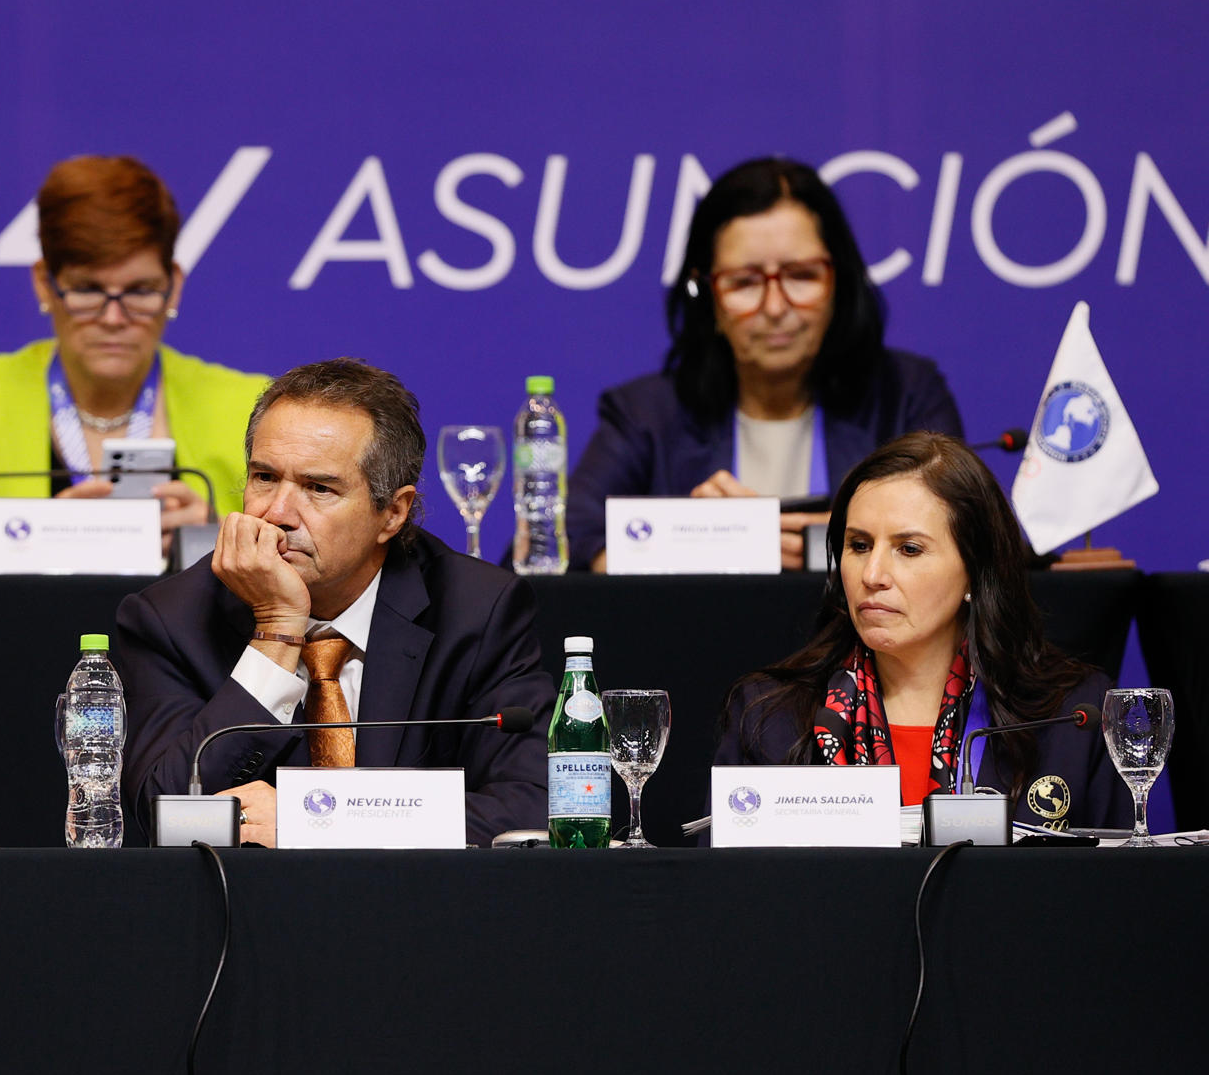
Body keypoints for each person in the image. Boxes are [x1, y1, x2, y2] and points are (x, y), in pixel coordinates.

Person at [115, 358, 550, 847]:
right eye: (263, 478)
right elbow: (165, 814)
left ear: (393, 513)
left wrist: (321, 822)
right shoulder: (171, 619)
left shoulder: (476, 610)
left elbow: (534, 805)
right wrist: (277, 632)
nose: (277, 513)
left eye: (318, 488)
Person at [562, 157, 962, 571]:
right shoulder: (646, 414)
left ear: (838, 285)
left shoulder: (907, 394)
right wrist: (692, 544)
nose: (774, 307)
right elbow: (553, 547)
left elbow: (972, 539)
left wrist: (846, 539)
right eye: (745, 282)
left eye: (801, 276)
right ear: (708, 297)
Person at [715, 432, 1130, 831]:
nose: (873, 574)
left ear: (975, 570)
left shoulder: (1072, 716)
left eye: (909, 549)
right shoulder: (769, 715)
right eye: (859, 546)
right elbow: (723, 894)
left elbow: (1110, 893)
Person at [0, 156, 268, 573]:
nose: (114, 319)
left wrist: (212, 536)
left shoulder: (247, 404)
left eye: (141, 291)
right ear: (45, 283)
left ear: (174, 287)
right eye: (88, 290)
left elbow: (310, 555)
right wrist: (41, 532)